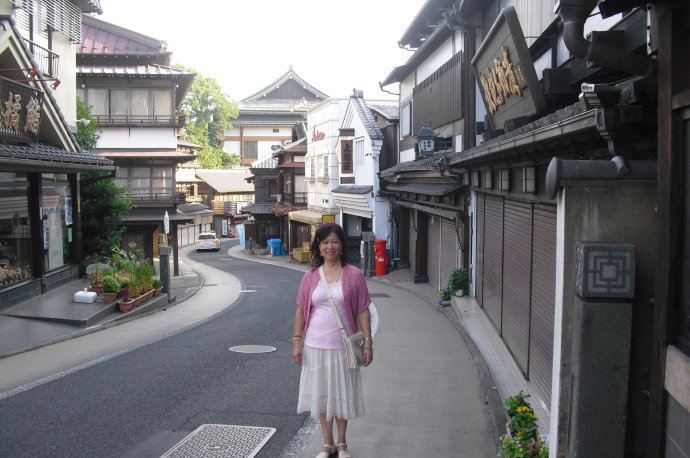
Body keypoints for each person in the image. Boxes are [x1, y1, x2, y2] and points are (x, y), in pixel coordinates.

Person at [292, 223, 373, 458]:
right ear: (319, 246)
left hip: (343, 347)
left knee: (341, 396)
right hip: (314, 346)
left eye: (334, 241)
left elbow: (363, 311)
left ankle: (342, 443)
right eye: (325, 242)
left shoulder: (354, 275)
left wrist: (367, 343)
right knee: (322, 397)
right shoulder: (309, 277)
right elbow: (300, 310)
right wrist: (297, 341)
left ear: (342, 245)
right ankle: (327, 443)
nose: (330, 246)